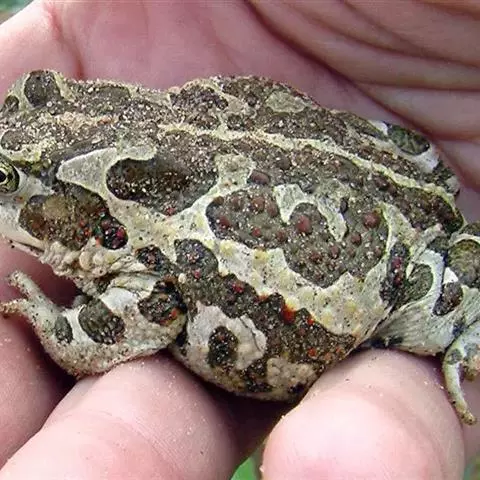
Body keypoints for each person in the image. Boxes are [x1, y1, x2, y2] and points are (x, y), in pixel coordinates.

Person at [0, 1, 479, 478]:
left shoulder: (136, 237)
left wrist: (61, 330)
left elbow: (152, 306)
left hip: (409, 261)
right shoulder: (136, 216)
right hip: (382, 157)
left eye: (7, 180)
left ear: (78, 211)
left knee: (442, 307)